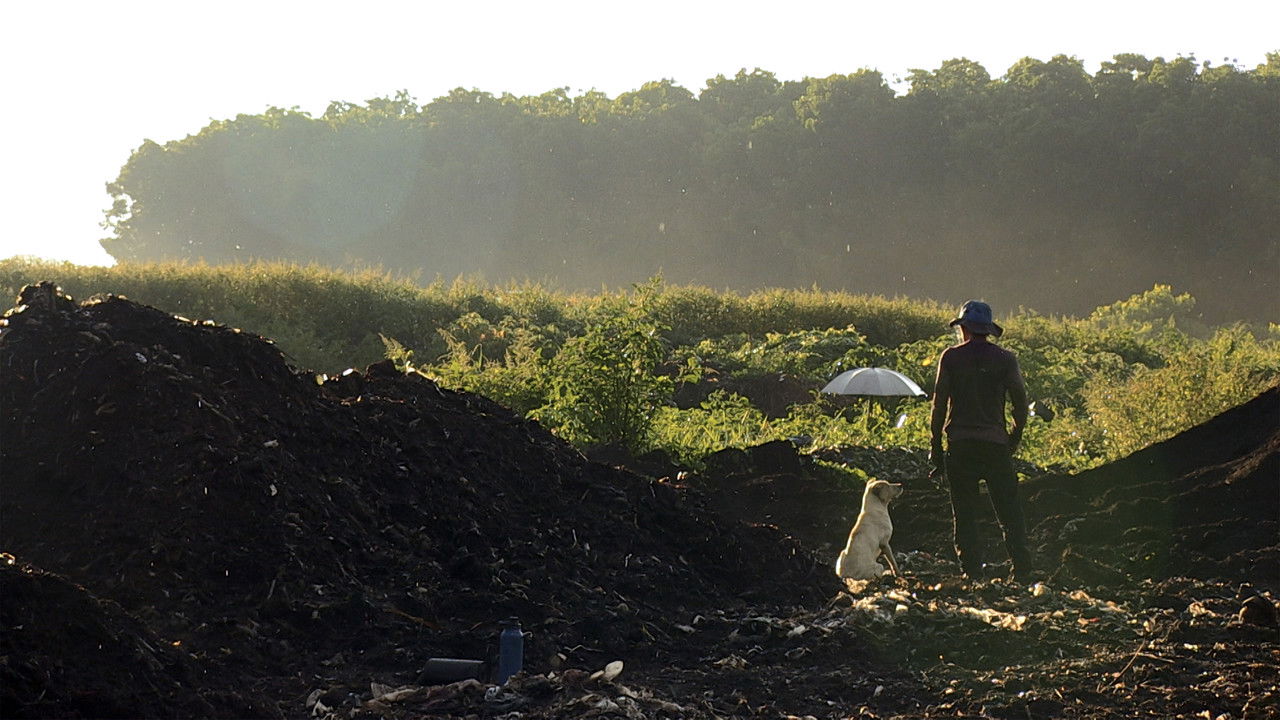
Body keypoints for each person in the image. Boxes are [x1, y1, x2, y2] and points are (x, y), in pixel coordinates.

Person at [929, 300, 1033, 582]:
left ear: (963, 328)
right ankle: (1022, 570)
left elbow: (939, 406)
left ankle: (972, 574)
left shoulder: (950, 358)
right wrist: (1014, 436)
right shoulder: (1005, 359)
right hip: (995, 445)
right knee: (1009, 511)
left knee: (964, 512)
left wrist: (936, 447)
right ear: (987, 330)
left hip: (961, 445)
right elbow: (1020, 403)